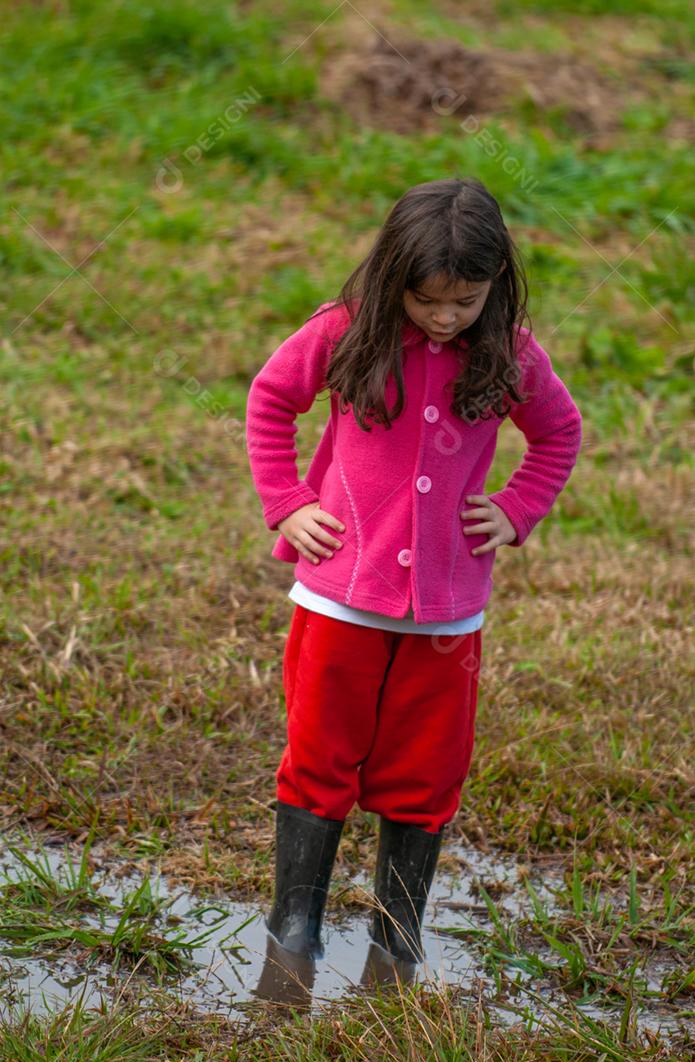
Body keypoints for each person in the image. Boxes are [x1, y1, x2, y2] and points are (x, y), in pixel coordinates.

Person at [245, 176, 583, 967]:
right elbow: (267, 402)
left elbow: (558, 433)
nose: (442, 316)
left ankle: (398, 932)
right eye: (426, 299)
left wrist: (517, 507)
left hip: (448, 614)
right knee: (320, 753)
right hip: (338, 600)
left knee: (426, 765)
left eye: (464, 301)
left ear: (494, 284)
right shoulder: (342, 332)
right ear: (392, 271)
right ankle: (296, 924)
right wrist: (287, 501)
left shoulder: (509, 352)